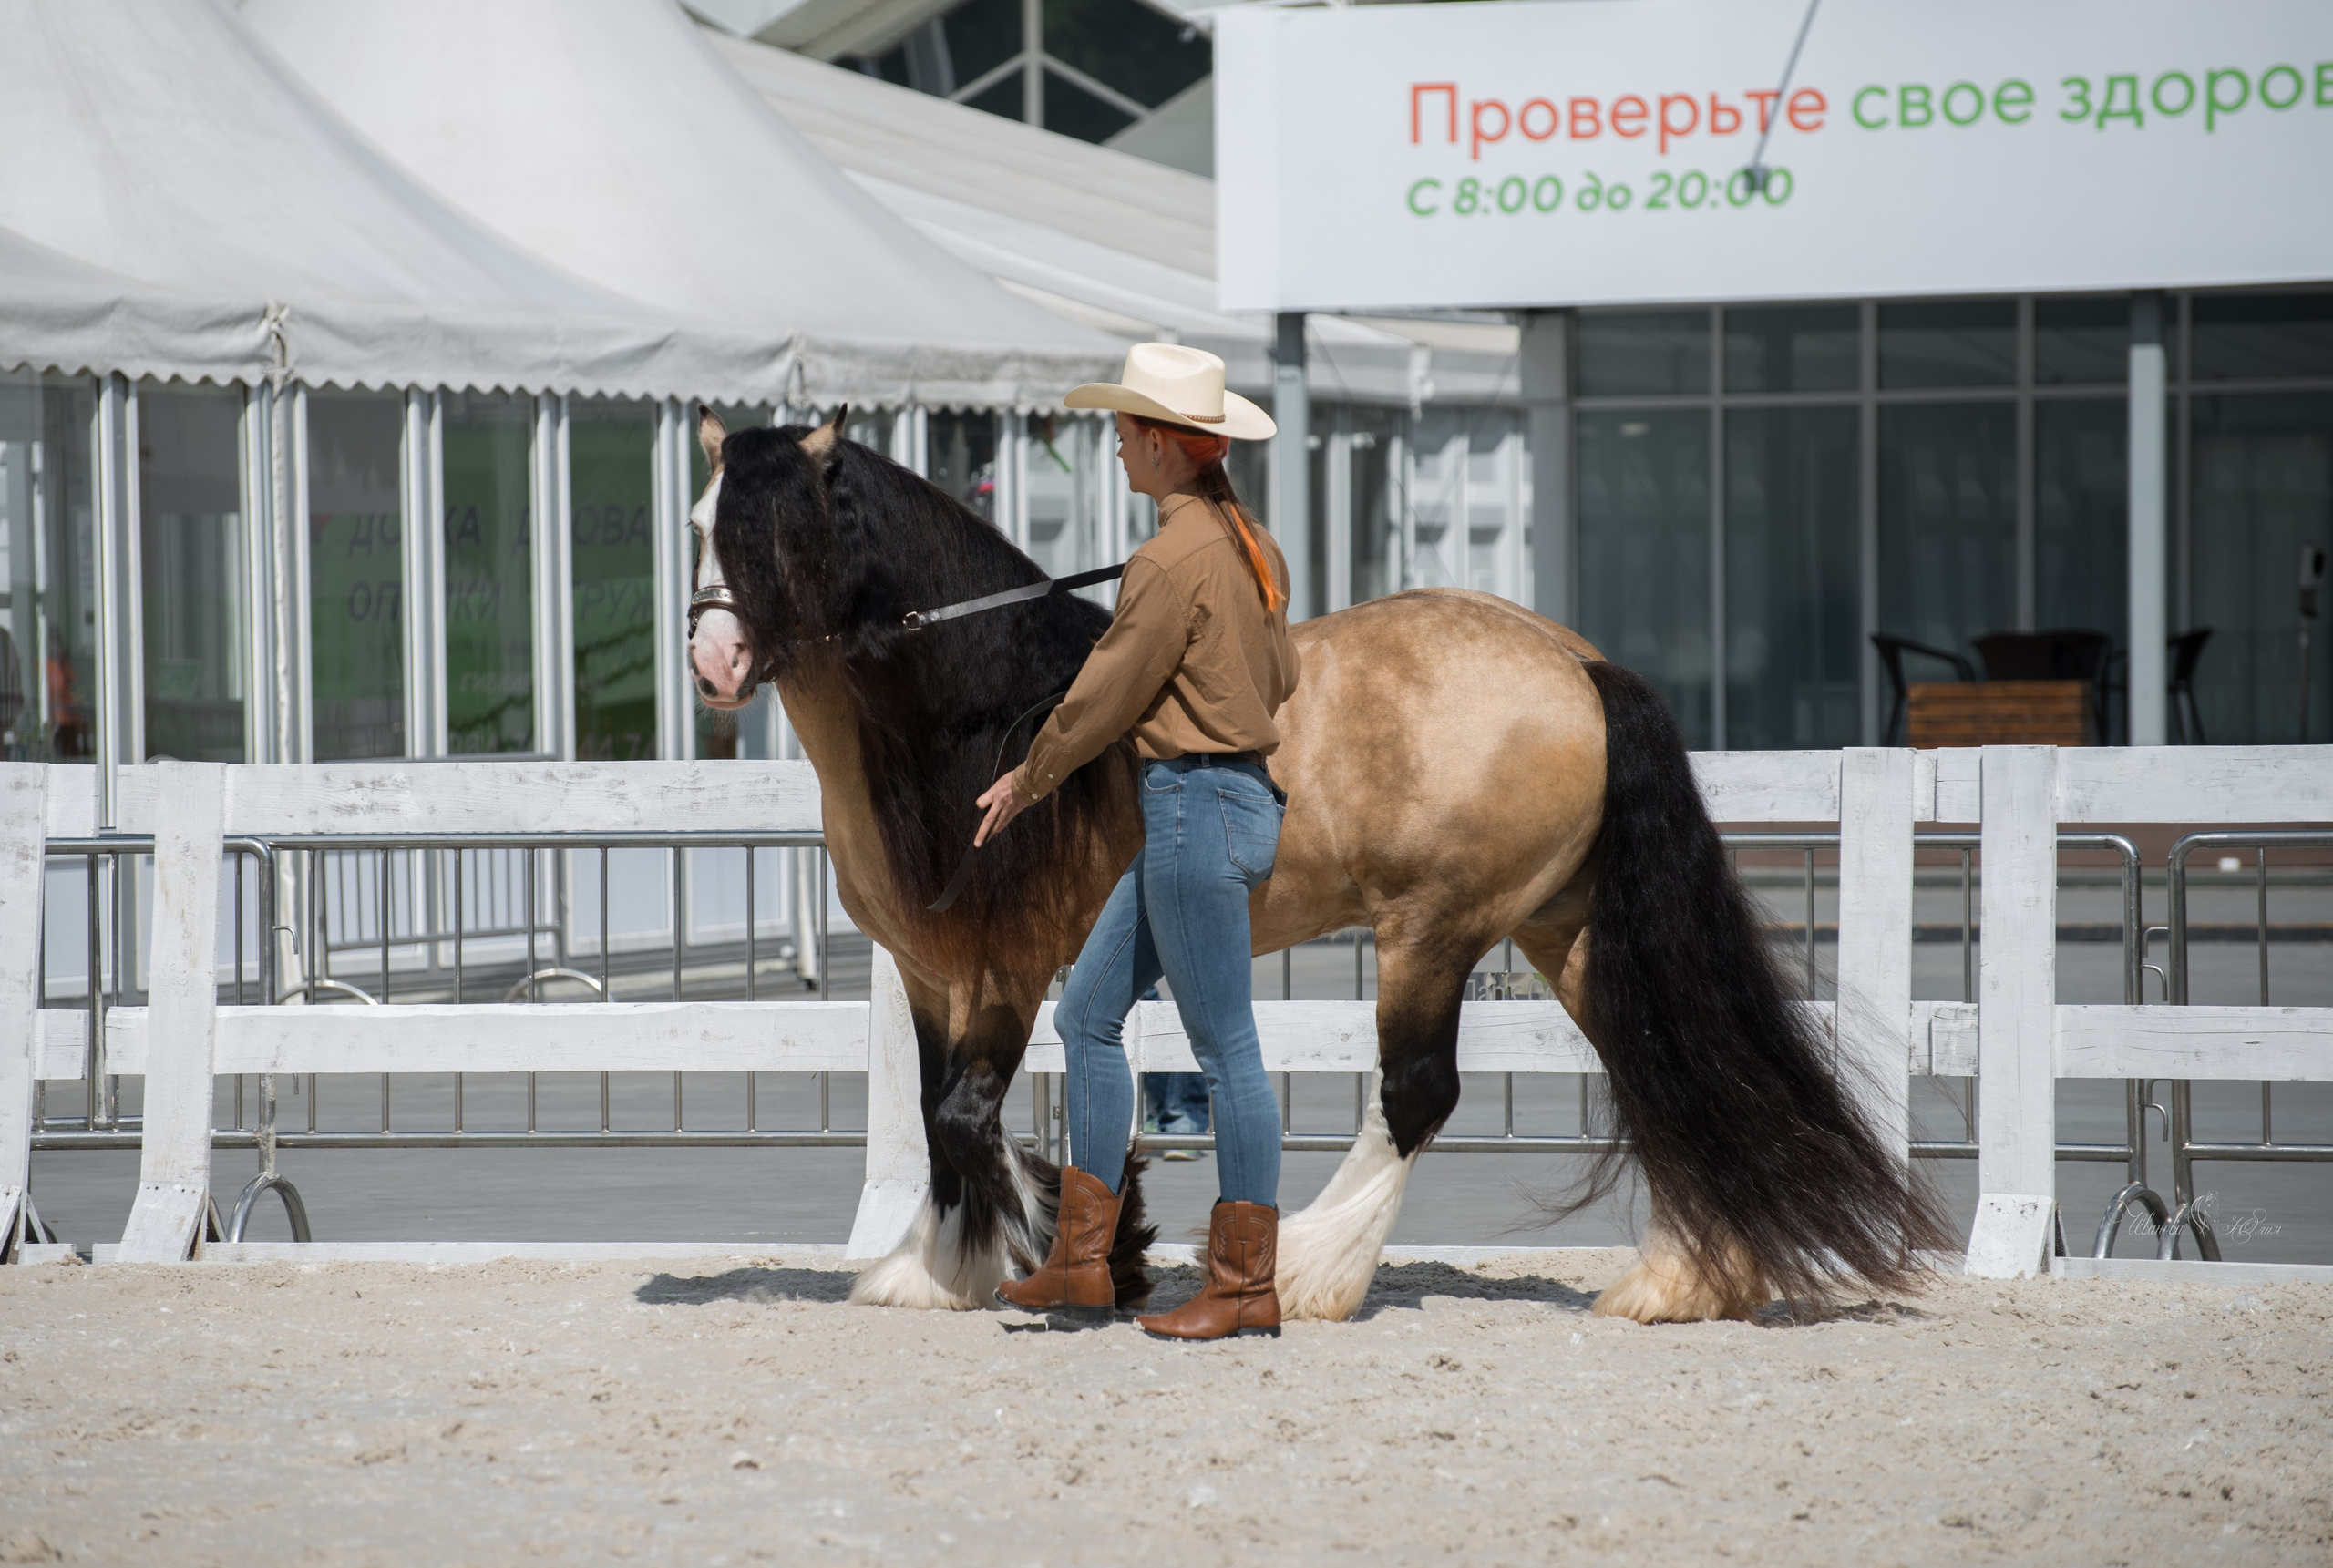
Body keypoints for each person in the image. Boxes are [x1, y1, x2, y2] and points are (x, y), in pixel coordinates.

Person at [977, 342, 1296, 1340]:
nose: (1115, 448)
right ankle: (1081, 1262)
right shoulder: (1251, 543)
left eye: (1122, 434)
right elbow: (1281, 678)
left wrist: (1028, 778)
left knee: (1226, 1051)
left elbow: (1103, 694)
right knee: (1086, 1015)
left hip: (1195, 810)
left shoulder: (1169, 561)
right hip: (1219, 806)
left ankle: (1242, 1285)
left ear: (1163, 444)